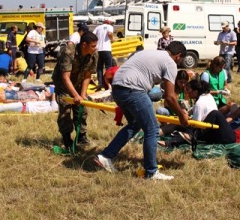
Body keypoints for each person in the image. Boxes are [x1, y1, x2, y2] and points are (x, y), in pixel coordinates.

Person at [95, 41, 190, 180]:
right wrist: (181, 115)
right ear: (178, 56)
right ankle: (151, 171)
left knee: (135, 124)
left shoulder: (149, 52)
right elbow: (170, 97)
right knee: (152, 129)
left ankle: (105, 156)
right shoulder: (170, 62)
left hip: (117, 89)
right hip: (134, 90)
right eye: (180, 60)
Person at [52, 32, 99, 149]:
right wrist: (74, 95)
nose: (96, 48)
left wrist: (82, 95)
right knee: (65, 111)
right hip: (63, 84)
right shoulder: (68, 52)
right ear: (84, 45)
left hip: (79, 82)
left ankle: (81, 136)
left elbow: (88, 75)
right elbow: (65, 77)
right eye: (93, 46)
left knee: (82, 110)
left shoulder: (94, 54)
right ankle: (67, 139)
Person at [93, 19, 114, 90]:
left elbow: (93, 35)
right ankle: (108, 84)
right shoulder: (110, 27)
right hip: (107, 49)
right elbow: (109, 34)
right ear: (109, 23)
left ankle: (100, 84)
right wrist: (112, 39)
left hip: (98, 50)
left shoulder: (98, 27)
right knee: (108, 68)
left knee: (99, 67)